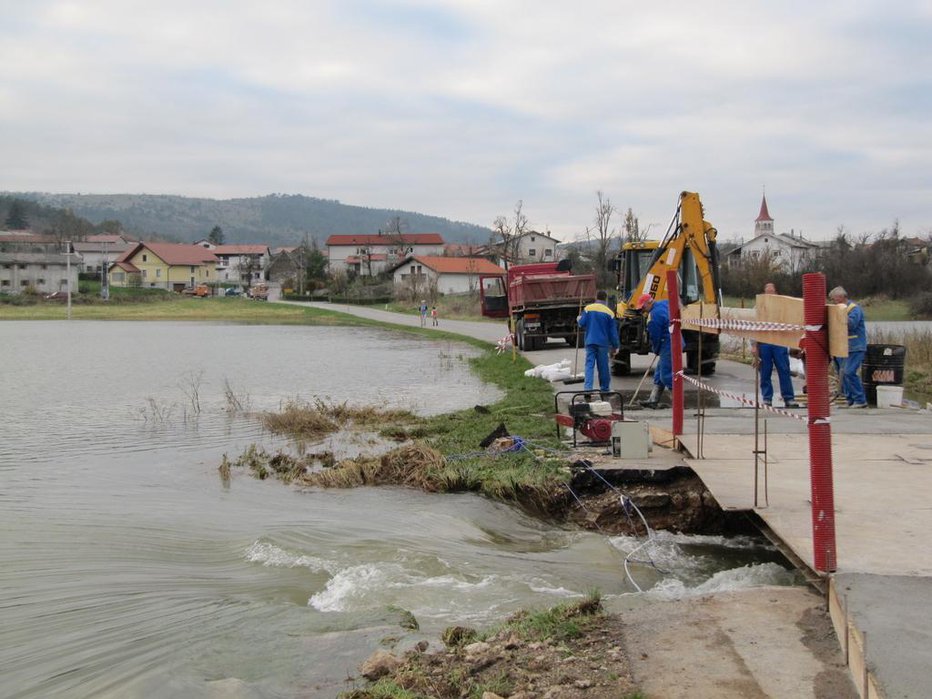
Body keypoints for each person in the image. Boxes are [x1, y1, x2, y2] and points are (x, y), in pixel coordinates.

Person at [753, 282, 800, 408]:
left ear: (776, 293)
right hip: (764, 343)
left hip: (780, 342)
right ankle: (767, 398)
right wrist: (754, 345)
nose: (769, 295)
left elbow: (791, 324)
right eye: (767, 292)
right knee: (765, 372)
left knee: (784, 370)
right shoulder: (758, 307)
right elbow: (752, 326)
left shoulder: (782, 307)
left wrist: (794, 343)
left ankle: (789, 398)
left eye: (771, 292)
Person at [829, 286, 867, 408]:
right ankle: (849, 399)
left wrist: (838, 316)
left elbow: (851, 324)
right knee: (842, 373)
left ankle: (860, 399)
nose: (834, 302)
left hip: (855, 347)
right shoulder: (839, 309)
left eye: (834, 300)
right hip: (843, 347)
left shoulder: (854, 310)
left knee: (849, 372)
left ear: (841, 298)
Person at [636, 293, 675, 408]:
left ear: (649, 302)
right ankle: (653, 399)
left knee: (665, 375)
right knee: (659, 373)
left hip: (668, 344)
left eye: (643, 307)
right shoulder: (664, 303)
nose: (643, 310)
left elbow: (655, 336)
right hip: (673, 341)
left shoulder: (654, 316)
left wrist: (656, 349)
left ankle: (678, 402)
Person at [576, 290, 619, 393]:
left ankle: (588, 389)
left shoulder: (588, 309)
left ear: (596, 297)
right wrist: (616, 346)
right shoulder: (609, 313)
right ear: (606, 299)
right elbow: (613, 333)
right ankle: (604, 389)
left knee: (589, 366)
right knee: (603, 367)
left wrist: (578, 319)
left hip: (590, 342)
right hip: (603, 344)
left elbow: (581, 323)